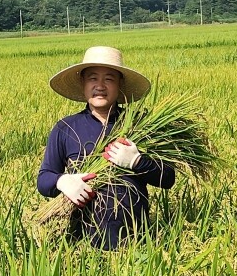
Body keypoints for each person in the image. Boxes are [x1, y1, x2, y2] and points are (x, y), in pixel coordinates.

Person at [37, 46, 175, 250]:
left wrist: (137, 162)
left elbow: (168, 178)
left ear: (120, 85)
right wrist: (62, 181)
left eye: (109, 79)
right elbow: (44, 180)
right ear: (83, 84)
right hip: (83, 243)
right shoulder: (65, 128)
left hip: (137, 240)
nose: (100, 86)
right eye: (93, 78)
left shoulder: (140, 125)